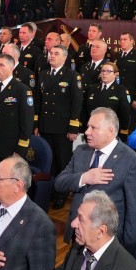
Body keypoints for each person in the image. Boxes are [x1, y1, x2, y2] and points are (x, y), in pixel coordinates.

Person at [55, 108, 136, 253]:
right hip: (77, 233)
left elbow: (135, 212)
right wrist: (85, 177)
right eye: (87, 127)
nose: (87, 132)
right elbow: (59, 183)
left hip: (107, 241)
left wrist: (126, 248)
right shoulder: (81, 151)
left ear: (110, 131)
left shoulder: (132, 161)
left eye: (93, 128)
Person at [36, 45, 83, 208]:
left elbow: (77, 103)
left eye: (56, 54)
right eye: (51, 53)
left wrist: (73, 127)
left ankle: (62, 193)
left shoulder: (72, 76)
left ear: (64, 57)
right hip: (45, 124)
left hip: (62, 127)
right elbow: (39, 101)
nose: (52, 56)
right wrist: (37, 123)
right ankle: (48, 191)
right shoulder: (43, 74)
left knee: (62, 162)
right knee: (49, 162)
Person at [0, 53, 35, 169]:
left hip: (10, 148)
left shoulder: (22, 89)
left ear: (11, 68)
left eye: (1, 65)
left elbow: (27, 122)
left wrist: (21, 149)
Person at [81, 61, 132, 139]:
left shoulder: (121, 90)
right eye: (103, 71)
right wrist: (82, 128)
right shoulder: (92, 88)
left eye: (108, 71)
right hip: (91, 130)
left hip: (109, 132)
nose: (104, 73)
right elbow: (84, 110)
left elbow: (125, 114)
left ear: (115, 74)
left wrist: (122, 133)